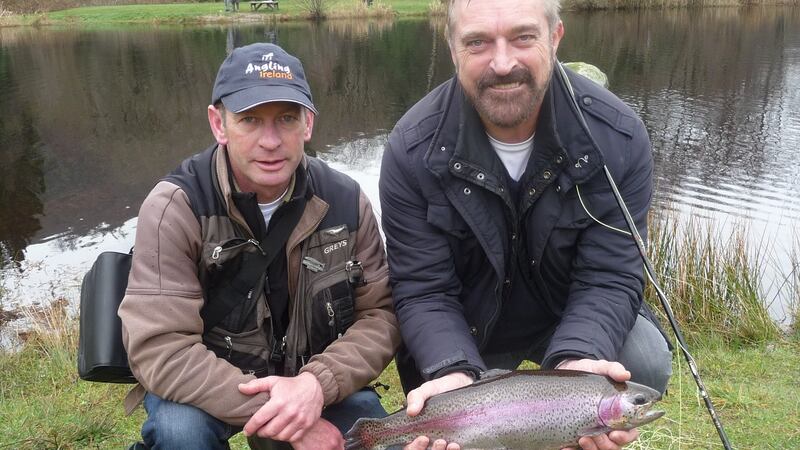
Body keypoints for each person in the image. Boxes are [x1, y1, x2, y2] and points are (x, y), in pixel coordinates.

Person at [379, 0, 672, 449]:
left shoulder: (618, 137)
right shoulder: (410, 149)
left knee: (644, 361)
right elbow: (424, 289)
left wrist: (580, 364)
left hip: (564, 315)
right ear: (453, 48)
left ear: (554, 38)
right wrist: (451, 367)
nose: (502, 63)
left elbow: (610, 275)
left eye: (523, 37)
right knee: (434, 408)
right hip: (466, 326)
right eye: (478, 42)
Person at [119, 42, 400, 450]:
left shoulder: (346, 201)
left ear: (308, 124)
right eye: (249, 120)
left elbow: (380, 316)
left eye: (286, 119)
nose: (270, 141)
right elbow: (161, 347)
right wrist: (283, 413)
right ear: (218, 124)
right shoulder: (176, 207)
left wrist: (316, 385)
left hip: (313, 379)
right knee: (180, 433)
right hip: (209, 384)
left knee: (374, 436)